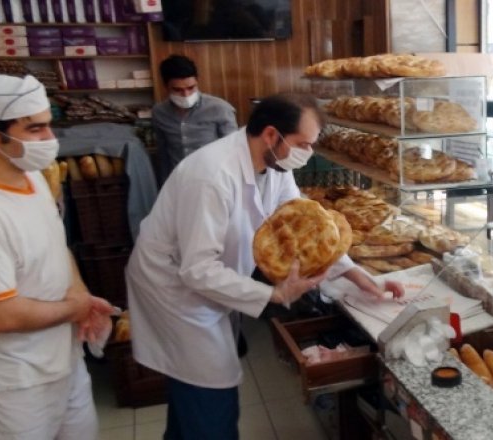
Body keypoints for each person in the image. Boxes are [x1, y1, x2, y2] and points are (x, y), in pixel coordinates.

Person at [126, 93, 403, 439]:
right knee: (211, 389)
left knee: (193, 394)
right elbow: (197, 269)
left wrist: (357, 274)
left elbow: (306, 227)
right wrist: (273, 293)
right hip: (174, 291)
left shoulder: (273, 165)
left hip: (207, 281)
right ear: (271, 135)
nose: (308, 153)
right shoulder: (211, 176)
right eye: (303, 144)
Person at [0, 74, 114, 439]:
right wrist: (77, 307)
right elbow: (1, 315)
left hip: (62, 361)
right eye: (36, 129)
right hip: (9, 384)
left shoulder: (31, 176)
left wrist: (79, 297)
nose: (50, 140)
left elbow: (56, 246)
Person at [152, 54, 238, 184]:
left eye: (191, 88)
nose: (186, 94)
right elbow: (163, 154)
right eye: (177, 90)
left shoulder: (220, 108)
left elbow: (234, 150)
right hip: (179, 180)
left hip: (214, 179)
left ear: (197, 82)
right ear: (166, 86)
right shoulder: (159, 113)